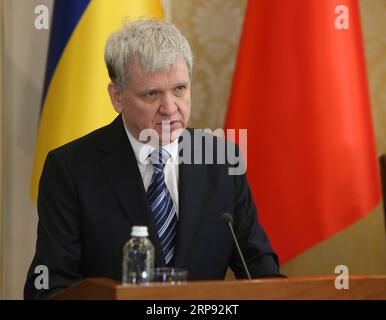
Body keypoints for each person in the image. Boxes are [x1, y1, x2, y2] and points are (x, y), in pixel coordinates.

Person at [24, 19, 281, 300]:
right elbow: (49, 287)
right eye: (151, 94)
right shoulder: (71, 169)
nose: (170, 108)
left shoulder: (221, 160)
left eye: (180, 89)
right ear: (117, 97)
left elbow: (261, 271)